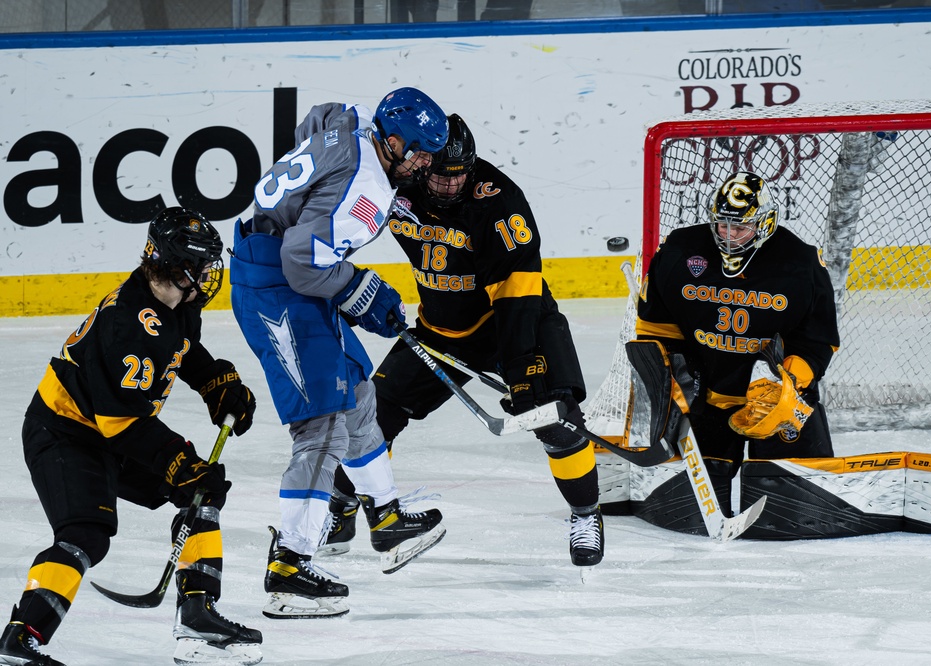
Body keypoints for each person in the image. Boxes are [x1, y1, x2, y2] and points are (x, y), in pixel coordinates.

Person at [322, 114, 605, 567]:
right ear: (421, 162)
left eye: (460, 178)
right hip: (440, 329)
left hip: (515, 320)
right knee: (372, 415)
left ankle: (586, 514)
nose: (450, 188)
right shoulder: (396, 185)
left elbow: (517, 292)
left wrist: (521, 366)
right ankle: (341, 508)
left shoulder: (499, 202)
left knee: (553, 413)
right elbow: (337, 235)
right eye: (439, 176)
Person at [0, 207, 261, 666]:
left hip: (109, 429)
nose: (208, 274)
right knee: (85, 535)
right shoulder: (128, 325)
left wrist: (214, 381)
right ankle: (20, 642)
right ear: (178, 267)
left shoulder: (176, 302)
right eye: (201, 266)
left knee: (204, 492)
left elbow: (181, 348)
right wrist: (176, 460)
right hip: (65, 432)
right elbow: (120, 423)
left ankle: (197, 616)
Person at [228, 87, 449, 619]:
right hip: (275, 288)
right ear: (392, 142)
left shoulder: (349, 124)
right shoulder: (368, 197)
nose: (422, 166)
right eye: (417, 153)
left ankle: (388, 518)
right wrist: (363, 293)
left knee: (357, 389)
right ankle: (289, 567)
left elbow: (318, 117)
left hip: (282, 273)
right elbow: (303, 260)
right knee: (323, 425)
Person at [631, 171, 840, 533]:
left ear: (765, 222)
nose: (727, 235)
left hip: (775, 401)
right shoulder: (681, 250)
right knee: (689, 512)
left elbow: (818, 341)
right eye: (721, 225)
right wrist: (670, 372)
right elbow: (656, 327)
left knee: (799, 515)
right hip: (705, 396)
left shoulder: (800, 263)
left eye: (739, 227)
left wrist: (788, 382)